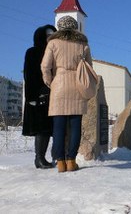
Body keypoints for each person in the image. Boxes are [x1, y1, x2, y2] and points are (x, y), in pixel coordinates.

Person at [41, 16, 93, 173]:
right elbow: (89, 66)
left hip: (59, 84)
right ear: (75, 27)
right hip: (77, 85)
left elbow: (45, 66)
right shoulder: (83, 44)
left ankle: (60, 162)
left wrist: (50, 82)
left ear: (60, 27)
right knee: (76, 125)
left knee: (59, 127)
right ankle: (71, 161)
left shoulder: (53, 43)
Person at [23, 24, 57, 169]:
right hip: (37, 96)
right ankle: (39, 158)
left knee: (47, 128)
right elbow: (29, 75)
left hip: (51, 94)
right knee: (40, 128)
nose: (50, 38)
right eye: (48, 36)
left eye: (52, 36)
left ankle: (42, 157)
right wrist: (32, 97)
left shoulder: (54, 52)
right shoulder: (32, 52)